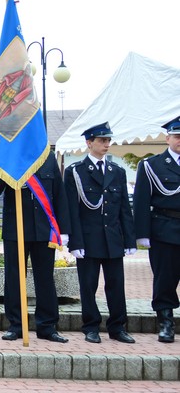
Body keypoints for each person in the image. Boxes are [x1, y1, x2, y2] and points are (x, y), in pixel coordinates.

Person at [0, 150, 71, 342]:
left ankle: (47, 326)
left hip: (43, 229)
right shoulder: (10, 155)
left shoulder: (47, 157)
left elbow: (59, 193)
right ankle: (16, 325)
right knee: (14, 278)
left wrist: (64, 229)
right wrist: (7, 164)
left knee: (45, 279)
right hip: (16, 228)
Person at [64, 122, 136, 344]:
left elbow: (124, 208)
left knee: (116, 285)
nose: (106, 144)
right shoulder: (75, 172)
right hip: (88, 238)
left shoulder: (117, 171)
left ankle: (117, 327)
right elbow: (72, 210)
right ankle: (91, 326)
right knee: (88, 285)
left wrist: (129, 239)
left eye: (108, 140)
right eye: (102, 140)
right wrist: (75, 242)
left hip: (112, 238)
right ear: (89, 143)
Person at [133, 115, 180, 343]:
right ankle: (166, 322)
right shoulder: (152, 165)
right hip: (165, 229)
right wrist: (142, 234)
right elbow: (141, 201)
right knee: (165, 280)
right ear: (167, 138)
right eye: (177, 136)